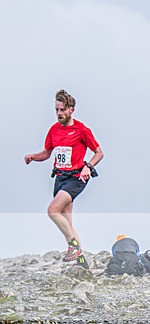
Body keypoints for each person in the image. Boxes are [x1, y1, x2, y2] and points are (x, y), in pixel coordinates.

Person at [24, 89, 103, 268]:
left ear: (71, 110)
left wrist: (88, 167)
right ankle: (81, 262)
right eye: (56, 110)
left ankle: (72, 247)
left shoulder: (81, 129)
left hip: (76, 178)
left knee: (52, 211)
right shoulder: (54, 130)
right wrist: (32, 157)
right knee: (67, 223)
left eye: (62, 110)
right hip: (60, 178)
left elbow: (99, 153)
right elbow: (46, 152)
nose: (59, 113)